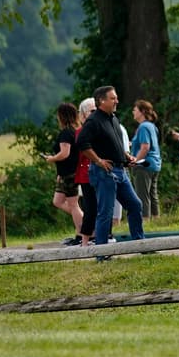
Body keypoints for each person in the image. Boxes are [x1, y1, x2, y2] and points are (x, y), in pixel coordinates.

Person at [77, 85, 145, 252]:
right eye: (113, 98)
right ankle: (102, 252)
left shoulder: (113, 118)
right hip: (104, 172)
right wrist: (98, 161)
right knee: (105, 212)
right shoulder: (93, 120)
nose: (117, 101)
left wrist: (125, 156)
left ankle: (140, 244)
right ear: (101, 101)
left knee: (135, 204)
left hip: (120, 170)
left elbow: (114, 143)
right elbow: (82, 143)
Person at [43, 102, 83, 237]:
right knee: (58, 201)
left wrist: (51, 158)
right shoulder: (75, 131)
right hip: (65, 173)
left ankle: (83, 232)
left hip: (70, 174)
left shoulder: (66, 133)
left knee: (73, 204)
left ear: (62, 116)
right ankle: (84, 223)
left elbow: (65, 153)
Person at [129, 99, 161, 218]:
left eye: (135, 109)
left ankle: (145, 220)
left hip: (144, 165)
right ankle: (156, 219)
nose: (133, 111)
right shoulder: (152, 126)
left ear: (142, 112)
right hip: (154, 164)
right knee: (152, 194)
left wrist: (135, 161)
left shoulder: (143, 127)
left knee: (142, 194)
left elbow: (145, 147)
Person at [73, 97, 97, 246]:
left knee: (103, 206)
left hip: (100, 172)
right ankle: (85, 240)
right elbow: (80, 155)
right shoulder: (81, 132)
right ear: (83, 115)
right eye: (92, 111)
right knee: (90, 208)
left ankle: (103, 235)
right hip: (86, 174)